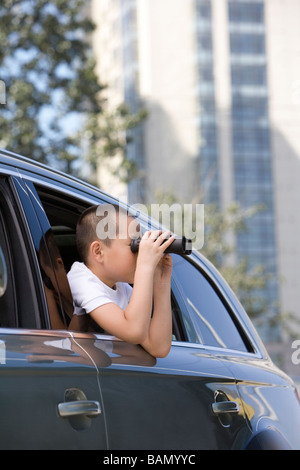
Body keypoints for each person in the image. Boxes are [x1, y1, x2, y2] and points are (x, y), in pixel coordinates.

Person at [67, 204, 174, 358]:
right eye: (134, 245)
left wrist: (161, 283)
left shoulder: (121, 288)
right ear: (98, 251)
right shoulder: (81, 277)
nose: (140, 253)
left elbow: (159, 348)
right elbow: (134, 331)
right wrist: (145, 266)